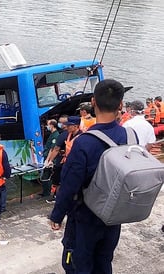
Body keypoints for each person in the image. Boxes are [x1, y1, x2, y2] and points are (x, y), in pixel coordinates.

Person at [49, 79, 130, 274]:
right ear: (120, 105)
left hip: (86, 217)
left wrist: (57, 215)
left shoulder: (84, 143)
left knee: (78, 263)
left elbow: (69, 184)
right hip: (113, 216)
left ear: (93, 102)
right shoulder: (128, 136)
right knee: (104, 261)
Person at [40, 119, 60, 198]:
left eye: (48, 125)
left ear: (52, 125)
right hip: (46, 156)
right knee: (45, 175)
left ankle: (47, 193)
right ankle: (45, 192)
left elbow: (52, 149)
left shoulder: (56, 135)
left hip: (50, 158)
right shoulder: (52, 134)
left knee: (47, 176)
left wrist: (48, 160)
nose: (47, 126)